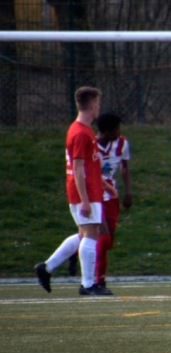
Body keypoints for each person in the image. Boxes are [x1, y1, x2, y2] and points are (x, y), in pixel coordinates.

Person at [33, 86, 111, 296]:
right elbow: (77, 168)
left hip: (90, 189)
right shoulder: (80, 133)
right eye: (97, 104)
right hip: (85, 192)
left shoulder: (83, 130)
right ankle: (87, 285)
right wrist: (84, 199)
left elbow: (89, 165)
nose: (99, 108)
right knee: (91, 234)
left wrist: (104, 184)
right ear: (92, 105)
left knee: (84, 233)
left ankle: (47, 268)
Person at [93, 113, 132, 291]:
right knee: (103, 238)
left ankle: (75, 250)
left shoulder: (122, 143)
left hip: (112, 196)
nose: (119, 132)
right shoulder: (91, 145)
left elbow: (125, 167)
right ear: (107, 131)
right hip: (95, 195)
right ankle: (99, 281)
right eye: (117, 129)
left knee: (109, 242)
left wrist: (128, 192)